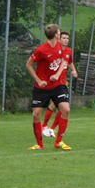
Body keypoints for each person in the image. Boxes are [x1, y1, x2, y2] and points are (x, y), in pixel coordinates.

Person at [26, 23, 70, 151]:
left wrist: (57, 74)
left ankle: (59, 142)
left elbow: (63, 61)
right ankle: (39, 144)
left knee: (66, 109)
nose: (60, 33)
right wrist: (39, 80)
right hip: (42, 87)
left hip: (57, 85)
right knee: (36, 115)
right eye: (59, 32)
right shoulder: (41, 50)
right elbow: (28, 65)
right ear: (56, 35)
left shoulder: (59, 46)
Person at [41, 30, 78, 138]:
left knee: (61, 107)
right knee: (60, 106)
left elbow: (69, 62)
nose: (66, 40)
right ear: (59, 39)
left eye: (67, 38)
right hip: (53, 82)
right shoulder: (54, 50)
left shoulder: (69, 51)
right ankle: (45, 126)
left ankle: (49, 128)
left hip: (62, 83)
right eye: (63, 38)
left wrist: (73, 70)